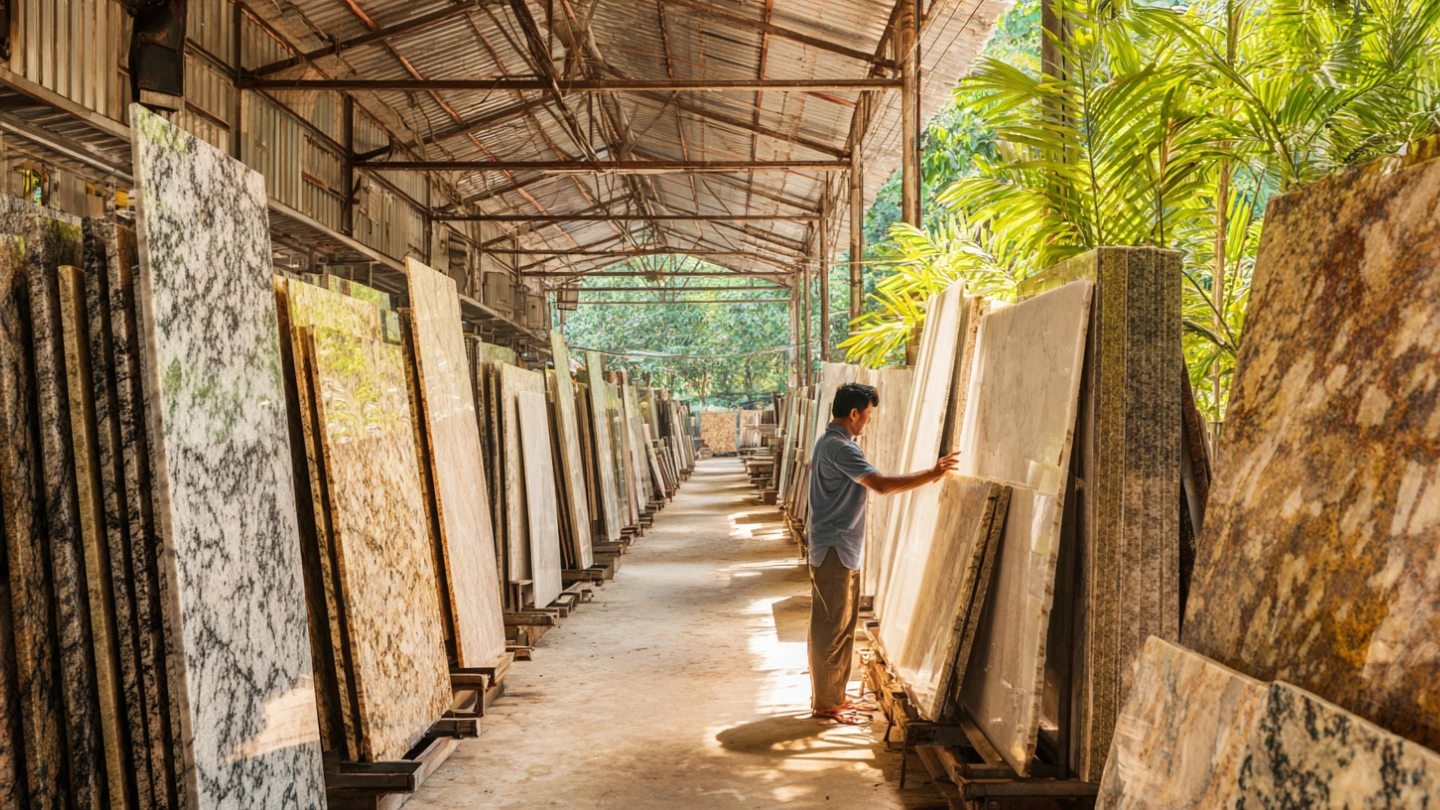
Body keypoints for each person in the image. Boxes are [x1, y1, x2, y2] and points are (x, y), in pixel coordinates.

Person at [806, 382, 960, 724]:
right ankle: (826, 704)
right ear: (854, 413)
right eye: (869, 414)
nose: (869, 421)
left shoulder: (831, 442)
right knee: (832, 626)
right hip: (834, 545)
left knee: (840, 624)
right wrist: (933, 473)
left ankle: (834, 697)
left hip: (836, 544)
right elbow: (882, 485)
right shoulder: (841, 447)